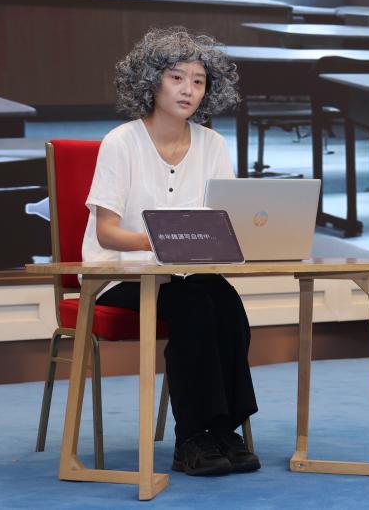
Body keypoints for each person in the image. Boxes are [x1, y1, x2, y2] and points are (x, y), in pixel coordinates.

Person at [81, 27, 259, 477]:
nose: (188, 90)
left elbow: (223, 224)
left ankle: (225, 429)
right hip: (121, 275)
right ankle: (192, 438)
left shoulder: (213, 145)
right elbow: (107, 233)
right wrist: (166, 241)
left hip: (189, 275)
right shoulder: (121, 141)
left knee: (228, 306)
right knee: (193, 305)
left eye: (198, 81)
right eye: (177, 78)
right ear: (151, 81)